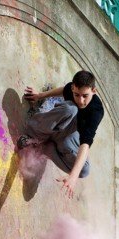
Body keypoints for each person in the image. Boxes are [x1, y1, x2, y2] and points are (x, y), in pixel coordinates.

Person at [19, 70, 104, 199]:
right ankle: (34, 134)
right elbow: (63, 90)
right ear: (73, 88)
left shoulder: (96, 111)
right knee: (71, 108)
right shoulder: (71, 89)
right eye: (76, 95)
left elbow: (85, 143)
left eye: (85, 96)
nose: (81, 100)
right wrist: (40, 96)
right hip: (53, 122)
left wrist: (73, 177)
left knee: (84, 170)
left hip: (67, 133)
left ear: (94, 90)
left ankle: (47, 148)